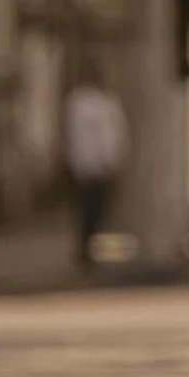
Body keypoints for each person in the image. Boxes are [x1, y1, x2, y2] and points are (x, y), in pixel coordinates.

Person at [63, 61, 129, 269]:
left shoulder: (79, 102)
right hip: (95, 166)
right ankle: (86, 251)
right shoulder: (98, 103)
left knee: (89, 211)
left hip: (84, 165)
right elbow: (107, 137)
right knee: (92, 210)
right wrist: (110, 160)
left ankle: (87, 250)